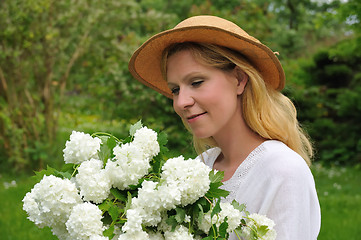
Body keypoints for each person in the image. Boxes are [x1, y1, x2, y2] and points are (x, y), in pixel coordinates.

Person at [128, 15, 321, 240]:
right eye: (175, 90)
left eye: (196, 82)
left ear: (239, 79)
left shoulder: (282, 171)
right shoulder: (200, 167)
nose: (181, 102)